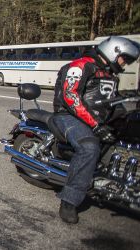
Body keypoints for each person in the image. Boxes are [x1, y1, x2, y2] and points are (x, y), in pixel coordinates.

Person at [52, 36, 140, 224]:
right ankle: (69, 200)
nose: (125, 64)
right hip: (67, 116)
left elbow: (110, 102)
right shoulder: (81, 66)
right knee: (89, 146)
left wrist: (129, 108)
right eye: (124, 59)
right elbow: (70, 97)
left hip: (95, 118)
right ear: (113, 51)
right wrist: (96, 126)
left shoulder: (109, 74)